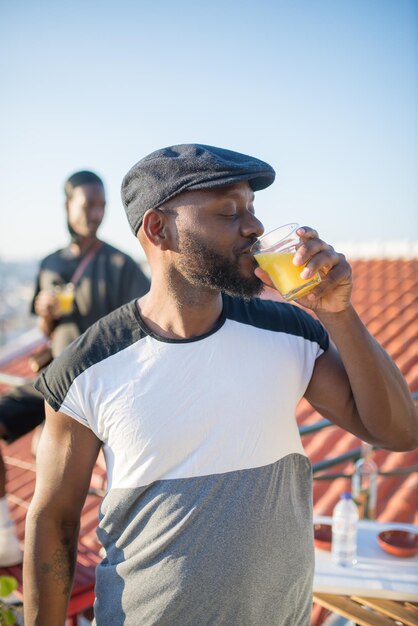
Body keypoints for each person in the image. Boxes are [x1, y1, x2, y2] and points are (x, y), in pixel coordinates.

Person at [23, 145, 417, 625]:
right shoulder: (83, 369)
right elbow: (55, 525)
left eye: (251, 209)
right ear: (158, 228)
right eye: (229, 211)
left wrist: (338, 313)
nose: (253, 227)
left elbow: (398, 433)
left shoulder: (291, 332)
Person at [0, 170, 149, 567]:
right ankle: (3, 537)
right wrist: (45, 319)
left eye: (102, 205)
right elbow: (48, 331)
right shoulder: (49, 263)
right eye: (88, 205)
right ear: (68, 206)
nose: (96, 213)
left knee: (74, 482)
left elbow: (143, 325)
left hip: (104, 384)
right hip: (55, 380)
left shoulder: (121, 265)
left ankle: (116, 549)